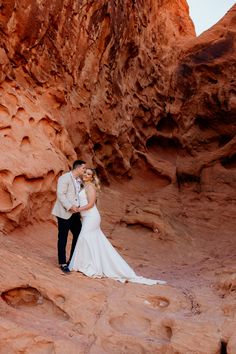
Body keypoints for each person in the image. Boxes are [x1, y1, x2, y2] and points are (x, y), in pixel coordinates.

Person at [69, 168, 166, 285]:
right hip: (86, 217)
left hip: (91, 217)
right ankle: (88, 264)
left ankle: (90, 265)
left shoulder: (90, 187)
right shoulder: (85, 186)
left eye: (88, 174)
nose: (85, 175)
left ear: (92, 177)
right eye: (85, 172)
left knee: (84, 238)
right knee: (93, 240)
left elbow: (90, 204)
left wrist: (78, 210)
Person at [52, 160, 86, 273]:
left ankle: (72, 260)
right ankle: (62, 263)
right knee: (63, 237)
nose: (84, 170)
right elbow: (60, 194)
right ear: (77, 168)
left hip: (75, 213)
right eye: (83, 168)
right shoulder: (65, 178)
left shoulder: (79, 180)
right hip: (64, 212)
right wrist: (70, 206)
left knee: (78, 233)